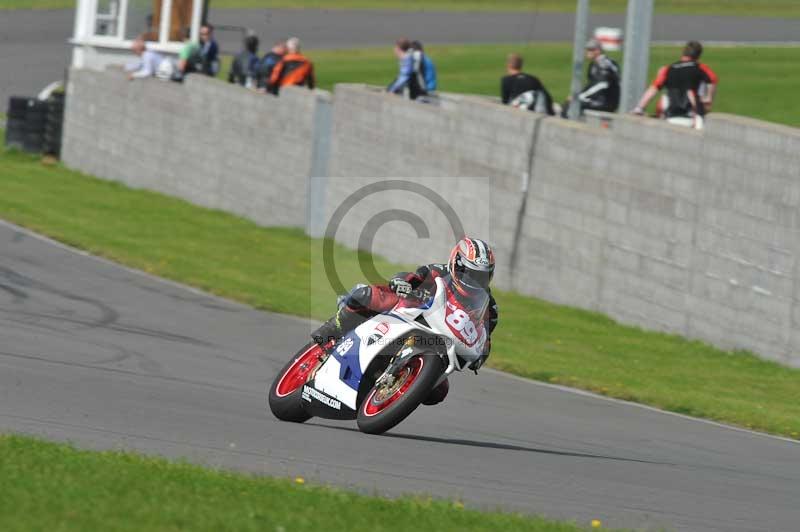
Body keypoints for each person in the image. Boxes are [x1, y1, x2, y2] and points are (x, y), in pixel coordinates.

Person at [311, 237, 499, 406]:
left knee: (439, 392)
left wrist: (480, 356)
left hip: (441, 340)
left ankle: (394, 391)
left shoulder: (489, 307)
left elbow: (485, 338)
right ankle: (334, 328)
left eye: (481, 276)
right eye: (469, 272)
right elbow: (412, 277)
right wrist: (402, 282)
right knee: (365, 295)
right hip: (409, 312)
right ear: (455, 263)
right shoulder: (438, 271)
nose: (473, 279)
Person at [633, 40, 719, 122]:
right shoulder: (701, 68)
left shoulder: (668, 69)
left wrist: (639, 108)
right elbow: (713, 79)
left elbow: (653, 89)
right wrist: (708, 100)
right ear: (698, 56)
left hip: (671, 115)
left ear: (683, 53)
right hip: (692, 115)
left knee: (663, 99)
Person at [562, 39, 620, 117]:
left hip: (606, 101)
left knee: (571, 105)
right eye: (587, 50)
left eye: (591, 50)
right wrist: (577, 95)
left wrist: (579, 96)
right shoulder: (594, 65)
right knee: (569, 103)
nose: (587, 52)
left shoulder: (604, 64)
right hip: (598, 98)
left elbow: (602, 85)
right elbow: (591, 84)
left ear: (598, 51)